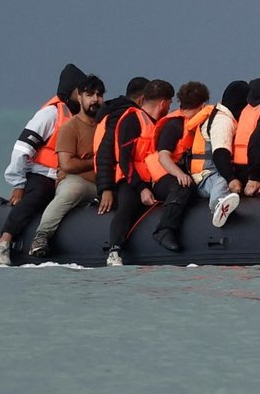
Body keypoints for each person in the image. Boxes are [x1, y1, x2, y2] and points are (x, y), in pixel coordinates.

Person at [0, 62, 89, 265]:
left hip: (71, 175)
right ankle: (3, 242)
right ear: (70, 91)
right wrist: (18, 184)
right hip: (44, 174)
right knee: (36, 198)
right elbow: (22, 149)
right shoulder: (50, 114)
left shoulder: (83, 116)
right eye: (81, 91)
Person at [27, 75, 106, 259]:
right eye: (90, 94)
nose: (95, 99)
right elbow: (67, 164)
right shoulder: (70, 127)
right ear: (79, 98)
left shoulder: (105, 126)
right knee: (71, 191)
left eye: (99, 95)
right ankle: (41, 236)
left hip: (103, 182)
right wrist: (97, 162)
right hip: (77, 180)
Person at [99, 78, 176, 265]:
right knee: (127, 206)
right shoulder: (131, 120)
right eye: (170, 103)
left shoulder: (162, 123)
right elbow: (125, 160)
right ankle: (114, 250)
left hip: (155, 178)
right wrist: (141, 188)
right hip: (132, 179)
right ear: (163, 102)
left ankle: (167, 229)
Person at [140, 81, 216, 252]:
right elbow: (163, 156)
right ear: (203, 105)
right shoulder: (174, 125)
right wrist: (180, 175)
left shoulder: (195, 125)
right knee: (183, 187)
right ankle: (164, 229)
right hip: (163, 176)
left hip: (181, 172)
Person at [189, 80, 247, 225]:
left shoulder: (221, 115)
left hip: (211, 172)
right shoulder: (223, 121)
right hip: (206, 175)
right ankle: (218, 205)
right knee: (222, 181)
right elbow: (220, 154)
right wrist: (231, 179)